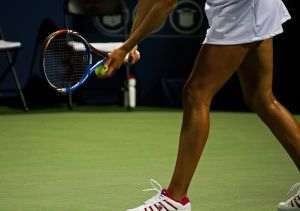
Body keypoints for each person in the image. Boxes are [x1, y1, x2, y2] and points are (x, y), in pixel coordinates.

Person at [104, 0, 300, 210]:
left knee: (196, 94)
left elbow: (166, 3)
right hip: (251, 6)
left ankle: (175, 199)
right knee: (261, 98)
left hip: (241, 9)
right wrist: (132, 42)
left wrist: (125, 47)